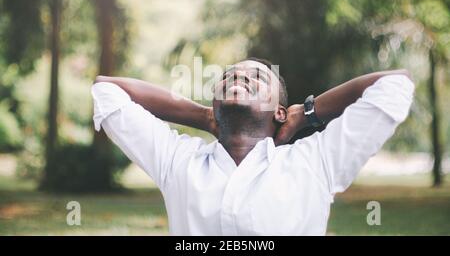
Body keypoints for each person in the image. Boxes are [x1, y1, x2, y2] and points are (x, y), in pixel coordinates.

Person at [91, 58, 414, 235]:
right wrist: (206, 116)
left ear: (279, 111)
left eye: (257, 77)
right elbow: (107, 90)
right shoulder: (178, 161)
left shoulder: (315, 162)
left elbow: (394, 84)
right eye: (229, 77)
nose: (239, 77)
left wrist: (307, 114)